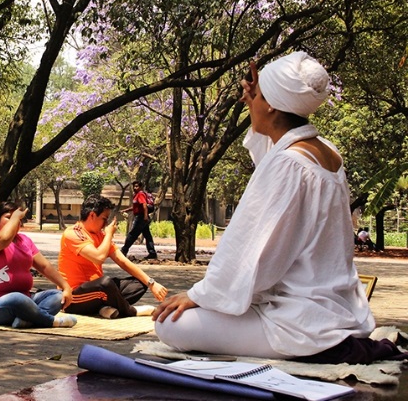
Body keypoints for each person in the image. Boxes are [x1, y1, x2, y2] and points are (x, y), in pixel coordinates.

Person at [154, 52, 402, 364]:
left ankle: (328, 349)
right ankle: (331, 342)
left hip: (300, 319)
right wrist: (258, 96)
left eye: (255, 95)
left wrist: (198, 295)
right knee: (203, 312)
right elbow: (270, 164)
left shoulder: (289, 163)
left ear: (271, 104)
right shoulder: (325, 151)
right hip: (331, 308)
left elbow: (251, 255)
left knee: (172, 325)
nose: (249, 100)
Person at [58, 195, 168, 319]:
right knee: (105, 282)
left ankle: (104, 308)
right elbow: (98, 257)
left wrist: (151, 283)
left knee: (140, 282)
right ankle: (130, 310)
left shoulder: (101, 235)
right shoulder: (73, 233)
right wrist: (109, 234)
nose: (106, 224)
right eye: (104, 219)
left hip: (98, 292)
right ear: (92, 215)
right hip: (74, 297)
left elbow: (122, 260)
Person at [0, 202, 77, 328]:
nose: (15, 221)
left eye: (18, 219)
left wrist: (66, 286)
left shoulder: (24, 240)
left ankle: (27, 319)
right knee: (17, 299)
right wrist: (16, 216)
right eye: (9, 217)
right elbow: (4, 239)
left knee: (57, 296)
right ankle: (51, 321)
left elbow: (44, 266)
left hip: (26, 300)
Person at [119, 181, 157, 260]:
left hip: (141, 217)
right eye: (134, 186)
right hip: (141, 216)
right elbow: (135, 207)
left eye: (137, 186)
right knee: (147, 235)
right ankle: (152, 253)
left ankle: (124, 250)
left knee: (132, 234)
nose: (135, 188)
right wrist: (125, 210)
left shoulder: (140, 194)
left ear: (140, 187)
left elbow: (144, 205)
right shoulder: (136, 195)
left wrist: (145, 216)